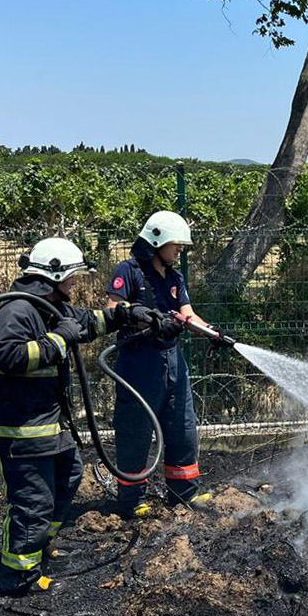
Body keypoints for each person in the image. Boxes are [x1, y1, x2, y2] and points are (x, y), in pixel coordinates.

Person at [0, 237, 150, 593]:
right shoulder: (18, 311)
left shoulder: (49, 307)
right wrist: (59, 340)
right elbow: (9, 357)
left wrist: (125, 316)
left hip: (49, 426)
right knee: (32, 502)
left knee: (69, 476)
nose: (75, 283)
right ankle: (19, 575)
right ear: (54, 274)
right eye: (72, 276)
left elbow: (86, 322)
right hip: (22, 432)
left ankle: (39, 547)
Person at [107, 210, 207, 517]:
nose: (180, 251)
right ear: (156, 241)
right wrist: (147, 319)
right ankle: (132, 501)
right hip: (139, 364)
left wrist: (211, 332)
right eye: (176, 245)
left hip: (173, 362)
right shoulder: (129, 271)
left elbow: (187, 314)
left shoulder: (174, 277)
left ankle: (184, 494)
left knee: (182, 427)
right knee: (135, 431)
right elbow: (113, 307)